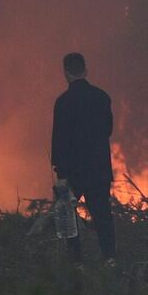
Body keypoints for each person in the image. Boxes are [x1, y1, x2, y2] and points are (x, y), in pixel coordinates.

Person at [51, 52, 116, 263]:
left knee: (68, 217)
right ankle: (110, 258)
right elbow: (108, 130)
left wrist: (60, 173)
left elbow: (59, 140)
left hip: (73, 172)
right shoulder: (102, 97)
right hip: (98, 170)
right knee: (103, 216)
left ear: (66, 73)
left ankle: (76, 262)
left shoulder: (63, 103)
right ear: (85, 70)